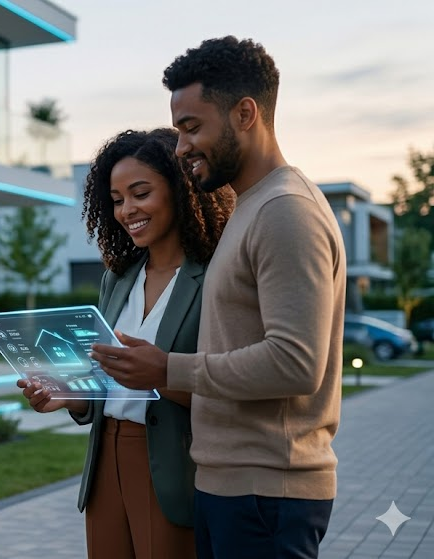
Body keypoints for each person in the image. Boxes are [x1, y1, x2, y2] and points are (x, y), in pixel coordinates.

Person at [91, 36, 346, 559]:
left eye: (192, 127)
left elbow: (297, 363)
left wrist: (167, 369)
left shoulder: (285, 211)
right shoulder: (254, 209)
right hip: (230, 486)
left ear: (245, 114)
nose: (181, 147)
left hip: (267, 492)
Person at [19, 128, 234, 558]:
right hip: (105, 465)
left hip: (173, 465)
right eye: (117, 200)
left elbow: (227, 383)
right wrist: (69, 397)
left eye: (140, 193)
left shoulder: (216, 277)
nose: (126, 210)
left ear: (181, 189)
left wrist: (159, 375)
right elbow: (107, 380)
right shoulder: (117, 279)